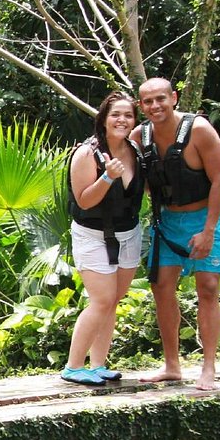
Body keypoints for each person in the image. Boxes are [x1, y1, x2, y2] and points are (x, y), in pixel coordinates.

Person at [132, 77, 220, 390]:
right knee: (161, 288)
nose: (155, 106)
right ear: (140, 106)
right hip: (167, 221)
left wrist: (209, 231)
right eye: (147, 102)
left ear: (173, 98)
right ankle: (172, 366)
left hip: (205, 217)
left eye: (160, 99)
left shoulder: (199, 130)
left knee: (208, 287)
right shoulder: (139, 136)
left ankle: (209, 367)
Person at [60, 90, 146, 386]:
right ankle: (73, 366)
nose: (122, 120)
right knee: (102, 299)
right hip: (92, 235)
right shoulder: (87, 153)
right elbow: (84, 201)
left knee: (113, 301)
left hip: (128, 234)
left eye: (128, 115)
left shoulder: (136, 150)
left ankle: (98, 364)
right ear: (104, 118)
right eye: (115, 115)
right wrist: (107, 177)